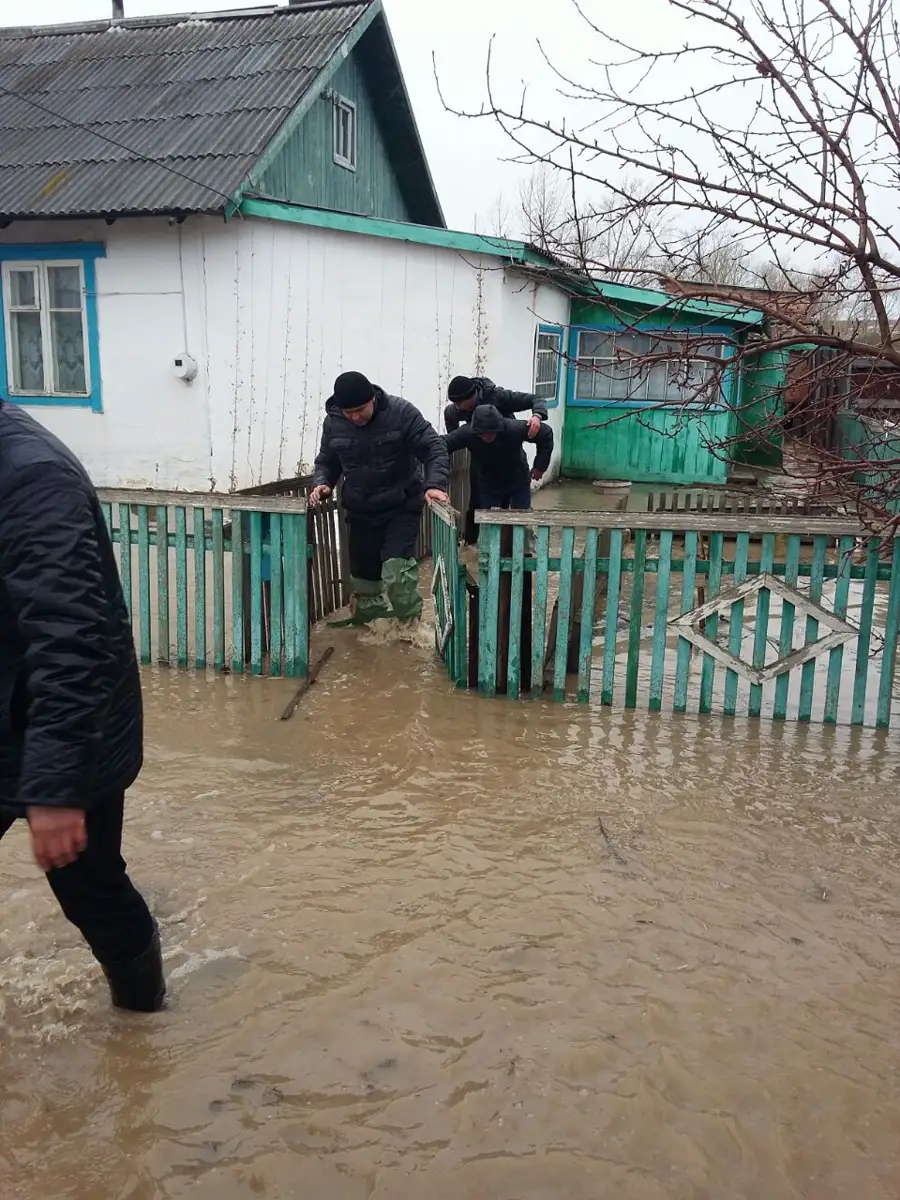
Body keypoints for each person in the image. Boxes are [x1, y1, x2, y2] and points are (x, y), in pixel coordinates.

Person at [0, 401, 164, 1013]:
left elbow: (73, 641)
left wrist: (55, 789)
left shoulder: (30, 477)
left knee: (88, 886)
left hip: (71, 726)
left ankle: (143, 1020)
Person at [309, 372, 450, 623]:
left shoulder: (401, 413)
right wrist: (322, 482)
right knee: (365, 578)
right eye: (348, 412)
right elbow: (327, 461)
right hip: (360, 508)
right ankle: (372, 628)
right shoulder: (333, 422)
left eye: (360, 409)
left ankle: (410, 627)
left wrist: (435, 484)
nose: (354, 417)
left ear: (373, 399)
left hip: (401, 504)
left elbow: (433, 448)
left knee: (397, 571)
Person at [444, 377, 548, 541]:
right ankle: (477, 543)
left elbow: (537, 400)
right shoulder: (461, 418)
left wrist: (537, 415)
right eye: (457, 405)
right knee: (479, 502)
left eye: (462, 404)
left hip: (509, 449)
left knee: (520, 514)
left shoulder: (498, 398)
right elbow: (449, 438)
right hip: (483, 457)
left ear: (472, 396)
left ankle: (522, 552)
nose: (459, 408)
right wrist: (459, 441)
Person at [443, 404, 554, 511]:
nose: (487, 436)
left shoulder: (514, 429)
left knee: (522, 520)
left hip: (518, 480)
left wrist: (540, 466)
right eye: (482, 433)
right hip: (489, 484)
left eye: (490, 432)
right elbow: (442, 443)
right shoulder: (468, 433)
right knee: (490, 522)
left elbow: (546, 433)